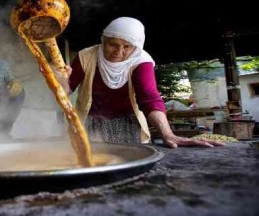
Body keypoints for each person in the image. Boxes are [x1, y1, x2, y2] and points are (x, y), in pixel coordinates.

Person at [56, 17, 224, 148]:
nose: (119, 52)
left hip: (129, 124)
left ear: (136, 47)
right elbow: (65, 91)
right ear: (103, 40)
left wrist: (168, 134)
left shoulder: (141, 61)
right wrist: (61, 81)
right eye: (112, 44)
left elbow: (149, 98)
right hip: (90, 123)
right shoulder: (86, 56)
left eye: (127, 47)